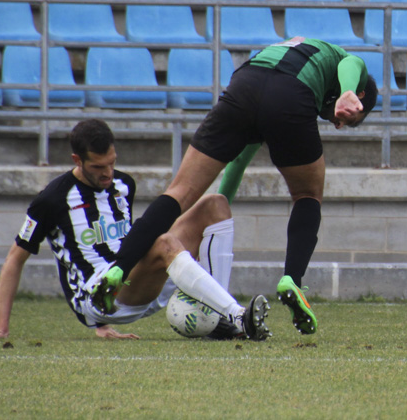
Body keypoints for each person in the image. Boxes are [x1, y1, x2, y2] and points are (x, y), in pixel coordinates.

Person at [91, 37, 378, 335]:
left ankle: (117, 269)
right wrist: (346, 91)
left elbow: (237, 165)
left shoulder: (295, 52)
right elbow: (353, 62)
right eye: (347, 117)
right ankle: (291, 279)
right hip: (292, 93)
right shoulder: (342, 66)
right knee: (307, 195)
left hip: (244, 85)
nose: (338, 123)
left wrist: (208, 226)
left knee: (178, 192)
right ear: (358, 93)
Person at [0, 119, 270, 341]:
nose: (108, 173)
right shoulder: (51, 200)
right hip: (101, 297)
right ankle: (237, 317)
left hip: (138, 277)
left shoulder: (123, 185)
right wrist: (2, 326)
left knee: (214, 204)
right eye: (99, 167)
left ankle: (218, 319)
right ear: (78, 160)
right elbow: (15, 258)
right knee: (165, 242)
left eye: (112, 163)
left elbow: (123, 241)